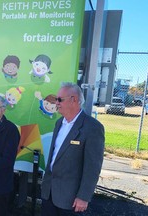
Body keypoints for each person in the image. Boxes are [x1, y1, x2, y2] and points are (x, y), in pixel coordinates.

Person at [41, 82, 105, 216]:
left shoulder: (92, 128)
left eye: (59, 99)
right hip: (49, 193)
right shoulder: (59, 123)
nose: (56, 103)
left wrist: (84, 196)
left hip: (70, 198)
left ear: (74, 99)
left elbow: (93, 167)